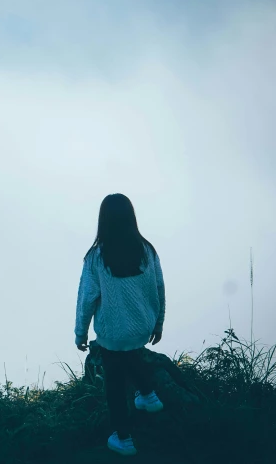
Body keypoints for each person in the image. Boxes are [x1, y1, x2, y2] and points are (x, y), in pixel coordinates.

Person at [74, 193, 166, 457]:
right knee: (132, 355)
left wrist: (80, 333)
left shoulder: (96, 257)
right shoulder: (147, 250)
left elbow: (86, 300)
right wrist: (158, 323)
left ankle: (123, 439)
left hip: (113, 333)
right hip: (142, 328)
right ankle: (148, 396)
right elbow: (159, 288)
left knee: (113, 384)